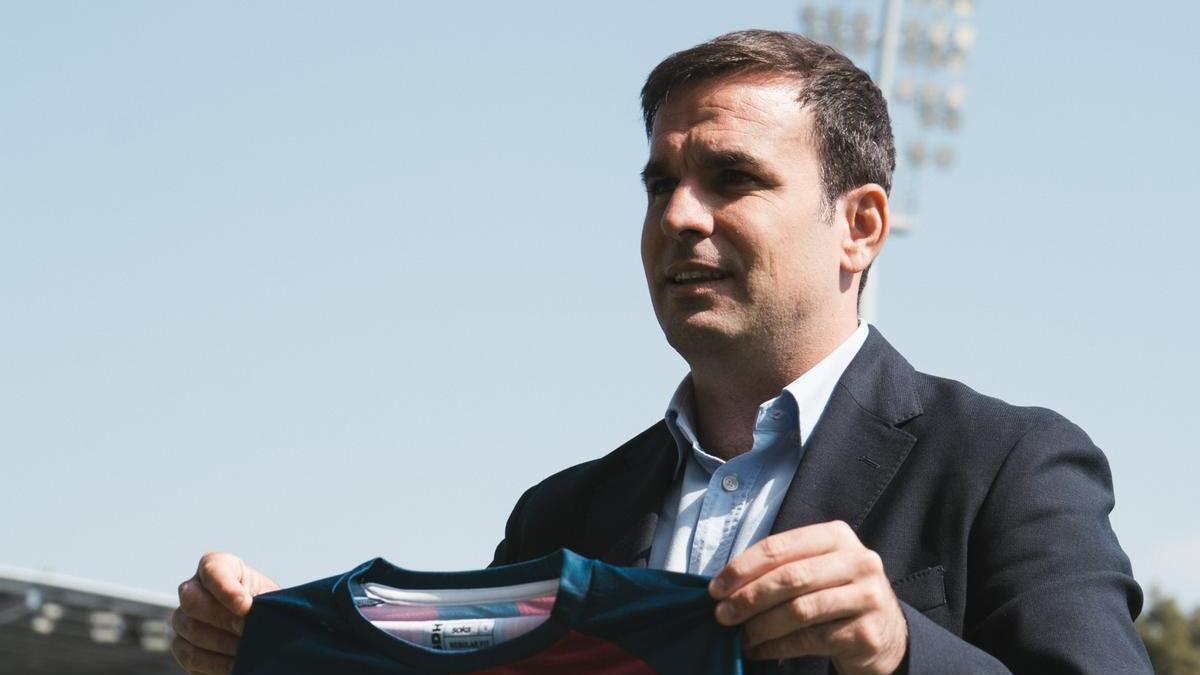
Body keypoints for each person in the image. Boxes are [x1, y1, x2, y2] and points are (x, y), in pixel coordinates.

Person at [170, 30, 1152, 674]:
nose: (679, 217)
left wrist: (904, 651)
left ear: (859, 226)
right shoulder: (561, 515)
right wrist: (270, 654)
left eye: (731, 178)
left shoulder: (1008, 466)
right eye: (659, 183)